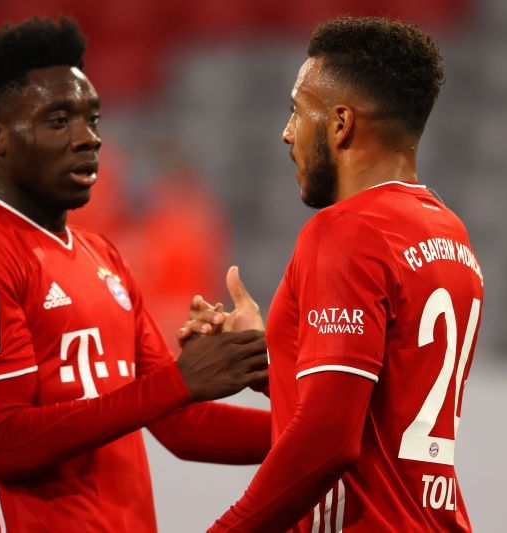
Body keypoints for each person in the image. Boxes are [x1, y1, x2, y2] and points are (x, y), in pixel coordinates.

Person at [0, 17, 271, 532]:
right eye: (58, 121)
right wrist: (176, 384)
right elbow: (10, 441)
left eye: (93, 119)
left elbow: (179, 424)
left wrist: (317, 432)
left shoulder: (103, 255)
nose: (89, 139)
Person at [180, 17, 484, 532]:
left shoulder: (346, 231)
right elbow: (381, 410)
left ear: (340, 123)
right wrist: (272, 350)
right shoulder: (447, 233)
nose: (286, 132)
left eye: (297, 112)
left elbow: (328, 437)